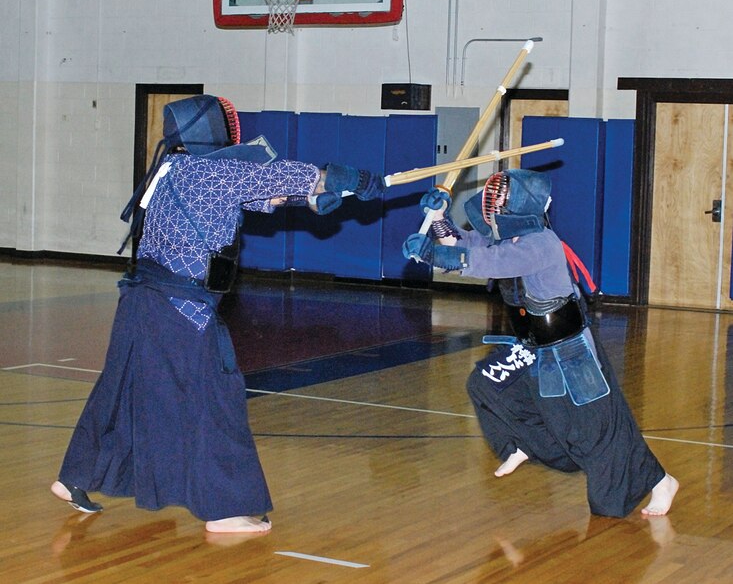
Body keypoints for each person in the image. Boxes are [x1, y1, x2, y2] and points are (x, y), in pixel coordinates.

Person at [51, 94, 386, 533]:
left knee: (120, 390)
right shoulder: (215, 170)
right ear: (212, 129)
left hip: (139, 302)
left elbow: (261, 192)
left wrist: (310, 199)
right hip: (180, 309)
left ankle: (72, 477)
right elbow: (290, 175)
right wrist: (350, 178)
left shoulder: (174, 169)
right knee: (215, 398)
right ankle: (225, 509)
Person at [403, 169, 678, 518]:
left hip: (571, 351)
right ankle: (523, 444)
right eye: (494, 200)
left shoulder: (541, 243)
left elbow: (486, 262)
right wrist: (440, 218)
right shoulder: (504, 238)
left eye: (501, 200)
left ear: (521, 205)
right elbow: (462, 243)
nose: (494, 206)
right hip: (534, 346)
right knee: (487, 383)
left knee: (596, 429)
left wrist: (432, 257)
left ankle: (660, 481)